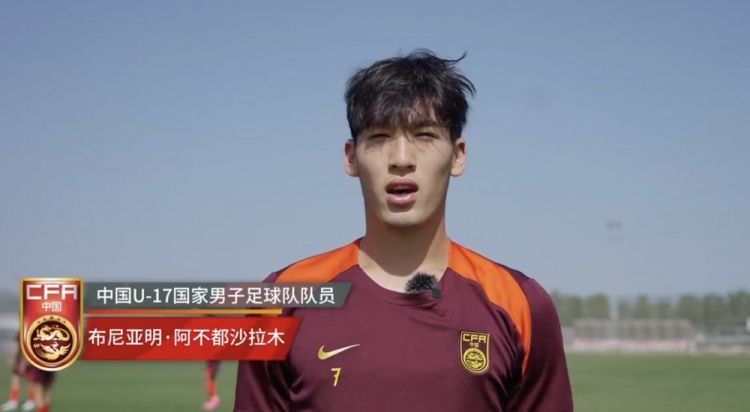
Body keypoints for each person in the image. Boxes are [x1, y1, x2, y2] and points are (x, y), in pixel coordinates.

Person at [233, 49, 574, 411]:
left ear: (458, 155)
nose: (401, 159)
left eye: (424, 135)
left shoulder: (520, 303)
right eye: (379, 137)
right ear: (351, 157)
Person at [1, 331, 35, 412]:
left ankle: (32, 401)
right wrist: (12, 358)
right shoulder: (20, 333)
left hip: (29, 360)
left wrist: (24, 363)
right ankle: (13, 401)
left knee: (30, 380)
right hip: (21, 360)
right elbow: (17, 347)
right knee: (15, 378)